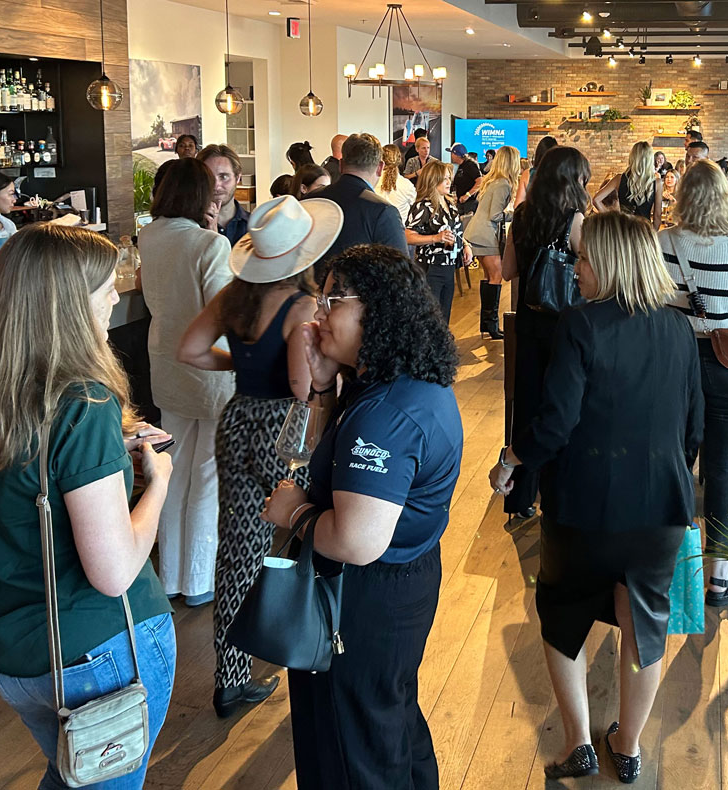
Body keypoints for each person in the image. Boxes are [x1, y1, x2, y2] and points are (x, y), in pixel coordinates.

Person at [0, 224, 177, 790]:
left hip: (9, 654)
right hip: (95, 650)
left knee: (71, 776)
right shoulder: (83, 404)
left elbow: (16, 477)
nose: (115, 299)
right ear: (66, 305)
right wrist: (157, 482)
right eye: (105, 290)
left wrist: (110, 450)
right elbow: (114, 572)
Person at [489, 212, 702, 782]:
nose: (575, 267)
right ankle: (628, 748)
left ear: (609, 262)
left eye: (582, 258)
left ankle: (579, 743)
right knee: (644, 625)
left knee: (562, 616)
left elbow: (556, 424)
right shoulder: (679, 328)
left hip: (584, 506)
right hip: (660, 507)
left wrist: (511, 460)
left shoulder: (579, 324)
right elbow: (693, 428)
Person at [261, 244, 463, 790]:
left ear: (379, 310)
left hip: (365, 594)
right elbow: (320, 456)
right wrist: (322, 386)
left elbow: (356, 540)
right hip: (402, 580)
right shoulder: (402, 383)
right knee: (387, 721)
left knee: (350, 748)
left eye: (335, 299)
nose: (319, 312)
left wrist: (295, 513)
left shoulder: (385, 414)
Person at [177, 194, 343, 718]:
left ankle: (230, 679)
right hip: (283, 428)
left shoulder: (234, 296)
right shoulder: (301, 307)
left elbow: (190, 349)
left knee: (239, 547)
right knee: (305, 532)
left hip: (237, 420)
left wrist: (243, 366)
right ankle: (305, 642)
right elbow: (300, 385)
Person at [658, 161, 728, 607]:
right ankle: (720, 578)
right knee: (724, 472)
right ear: (725, 198)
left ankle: (672, 571)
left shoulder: (663, 241)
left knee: (675, 464)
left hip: (674, 365)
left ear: (683, 197)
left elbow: (653, 301)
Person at [137, 157, 233, 609]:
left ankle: (170, 577)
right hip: (210, 368)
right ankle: (198, 580)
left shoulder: (149, 235)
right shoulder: (208, 244)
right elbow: (223, 310)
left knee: (172, 472)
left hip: (166, 363)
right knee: (207, 475)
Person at [500, 145, 590, 521]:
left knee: (527, 405)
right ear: (573, 179)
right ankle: (556, 491)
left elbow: (507, 271)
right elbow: (591, 272)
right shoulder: (574, 219)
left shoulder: (522, 216)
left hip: (527, 322)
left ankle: (519, 496)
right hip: (564, 325)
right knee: (561, 405)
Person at [316, 133, 411, 268]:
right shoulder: (384, 212)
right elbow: (401, 271)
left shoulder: (312, 199)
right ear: (380, 168)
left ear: (341, 165)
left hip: (313, 281)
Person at [464, 144, 522, 340]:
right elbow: (495, 215)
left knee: (489, 277)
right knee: (496, 277)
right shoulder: (503, 184)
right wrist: (516, 214)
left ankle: (487, 325)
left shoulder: (493, 181)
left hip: (477, 232)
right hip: (486, 235)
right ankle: (492, 325)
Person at [405, 160, 468, 322]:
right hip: (431, 267)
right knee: (431, 318)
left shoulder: (449, 203)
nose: (449, 182)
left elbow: (454, 231)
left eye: (449, 178)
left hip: (449, 266)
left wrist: (465, 245)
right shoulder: (423, 206)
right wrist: (435, 238)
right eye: (444, 178)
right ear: (433, 180)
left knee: (444, 316)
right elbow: (408, 236)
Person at [591, 141, 663, 227]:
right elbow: (657, 216)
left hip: (624, 229)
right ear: (650, 160)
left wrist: (613, 220)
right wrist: (652, 233)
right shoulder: (657, 183)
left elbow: (596, 199)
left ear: (632, 157)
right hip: (644, 230)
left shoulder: (619, 179)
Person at [197, 144, 250, 246]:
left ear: (238, 178)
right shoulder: (188, 226)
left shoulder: (255, 227)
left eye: (224, 177)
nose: (216, 185)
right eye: (209, 177)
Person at [376, 144, 418, 225]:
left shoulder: (373, 182)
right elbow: (415, 206)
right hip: (399, 230)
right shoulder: (407, 185)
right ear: (399, 159)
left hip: (375, 230)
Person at [449, 142, 482, 222]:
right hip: (462, 203)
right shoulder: (461, 165)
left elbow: (480, 181)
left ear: (457, 155)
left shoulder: (470, 165)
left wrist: (467, 195)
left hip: (470, 203)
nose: (451, 156)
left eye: (452, 153)